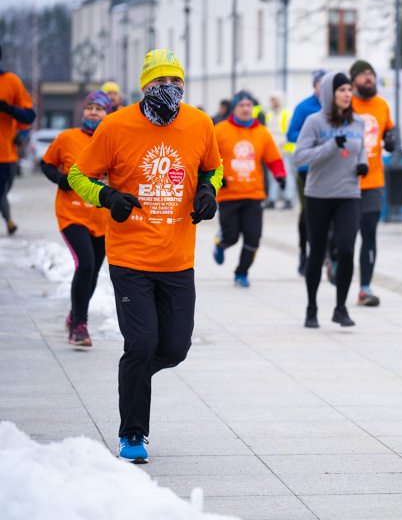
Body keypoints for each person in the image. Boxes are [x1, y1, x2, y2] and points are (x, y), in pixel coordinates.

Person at [68, 49, 223, 463]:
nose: (169, 90)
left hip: (177, 258)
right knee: (141, 343)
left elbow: (213, 168)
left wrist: (209, 191)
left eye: (177, 83)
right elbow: (77, 174)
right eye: (160, 83)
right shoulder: (115, 126)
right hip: (130, 257)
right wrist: (107, 196)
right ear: (145, 87)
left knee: (174, 348)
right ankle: (132, 432)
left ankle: (132, 378)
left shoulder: (199, 122)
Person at [294, 71, 366, 329]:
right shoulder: (315, 121)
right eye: (341, 90)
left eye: (349, 89)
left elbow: (361, 151)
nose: (347, 94)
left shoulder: (358, 122)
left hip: (348, 194)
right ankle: (311, 308)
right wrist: (330, 147)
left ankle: (340, 308)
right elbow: (299, 157)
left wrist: (363, 165)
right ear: (329, 94)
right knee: (316, 254)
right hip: (318, 196)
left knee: (346, 250)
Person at [41, 90, 112, 346]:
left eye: (99, 108)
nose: (93, 112)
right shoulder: (67, 138)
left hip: (102, 218)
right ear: (83, 111)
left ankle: (74, 316)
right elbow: (47, 164)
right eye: (89, 107)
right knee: (86, 264)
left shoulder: (113, 140)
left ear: (108, 113)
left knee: (92, 272)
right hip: (72, 213)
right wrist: (61, 179)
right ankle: (80, 325)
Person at [213, 90, 287, 287]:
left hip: (254, 194)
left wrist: (280, 175)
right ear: (234, 108)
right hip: (228, 194)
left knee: (253, 237)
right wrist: (217, 178)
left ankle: (241, 273)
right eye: (241, 106)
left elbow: (274, 159)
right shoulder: (220, 131)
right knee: (232, 235)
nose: (246, 109)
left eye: (249, 106)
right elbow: (208, 160)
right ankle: (221, 243)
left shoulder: (262, 132)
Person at [349, 60, 397, 307]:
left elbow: (389, 131)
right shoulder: (345, 104)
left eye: (372, 74)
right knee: (342, 237)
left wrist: (391, 138)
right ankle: (332, 259)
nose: (369, 78)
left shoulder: (381, 105)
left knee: (369, 234)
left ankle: (364, 288)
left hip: (374, 182)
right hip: (345, 183)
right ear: (353, 79)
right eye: (364, 74)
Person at [288, 69, 326, 275]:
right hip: (307, 169)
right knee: (308, 211)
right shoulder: (304, 107)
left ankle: (326, 254)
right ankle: (304, 252)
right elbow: (291, 133)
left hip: (330, 168)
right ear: (315, 86)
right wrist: (311, 136)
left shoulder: (337, 106)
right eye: (322, 84)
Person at [0, 42, 37, 235]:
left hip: (5, 155)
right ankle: (9, 221)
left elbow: (29, 116)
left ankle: (8, 220)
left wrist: (9, 109)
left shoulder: (11, 82)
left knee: (3, 193)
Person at [265, 90, 294, 209]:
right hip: (272, 150)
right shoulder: (269, 115)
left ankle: (288, 198)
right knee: (272, 175)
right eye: (272, 100)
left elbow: (289, 133)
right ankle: (272, 199)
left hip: (284, 150)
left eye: (274, 99)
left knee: (287, 175)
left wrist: (279, 143)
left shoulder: (287, 114)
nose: (273, 102)